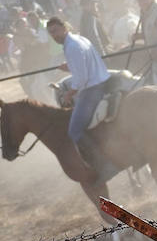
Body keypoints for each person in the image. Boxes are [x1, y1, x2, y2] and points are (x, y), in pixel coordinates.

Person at [45, 16, 117, 182]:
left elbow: (81, 78)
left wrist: (70, 93)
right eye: (51, 33)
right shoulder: (79, 39)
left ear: (64, 28)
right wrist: (69, 67)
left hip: (91, 89)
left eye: (55, 31)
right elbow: (84, 66)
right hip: (100, 81)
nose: (54, 35)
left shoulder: (72, 47)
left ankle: (105, 165)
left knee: (74, 131)